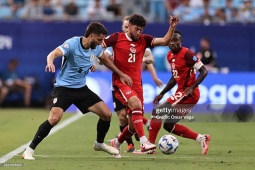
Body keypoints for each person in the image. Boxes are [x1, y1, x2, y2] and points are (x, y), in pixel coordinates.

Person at [22, 22, 132, 160]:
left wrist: (120, 73)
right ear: (91, 36)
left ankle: (99, 144)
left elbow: (104, 59)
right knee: (54, 118)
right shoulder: (72, 43)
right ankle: (29, 149)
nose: (101, 43)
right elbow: (53, 53)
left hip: (81, 88)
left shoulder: (96, 47)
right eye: (99, 39)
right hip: (64, 88)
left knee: (106, 114)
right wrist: (50, 62)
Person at [101, 14, 179, 157]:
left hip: (137, 85)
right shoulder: (116, 37)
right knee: (135, 105)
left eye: (141, 30)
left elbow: (164, 41)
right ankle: (144, 142)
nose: (139, 32)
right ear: (129, 26)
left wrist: (172, 27)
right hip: (121, 82)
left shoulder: (144, 39)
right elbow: (99, 49)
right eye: (136, 29)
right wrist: (110, 67)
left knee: (132, 125)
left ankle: (116, 143)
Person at [148, 30, 210, 155]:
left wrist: (192, 86)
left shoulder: (187, 54)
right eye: (171, 40)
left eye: (176, 40)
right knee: (168, 126)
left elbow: (204, 71)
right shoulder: (169, 55)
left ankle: (149, 147)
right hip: (182, 92)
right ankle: (201, 138)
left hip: (188, 93)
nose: (173, 42)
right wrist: (162, 93)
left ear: (181, 41)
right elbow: (174, 77)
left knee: (158, 112)